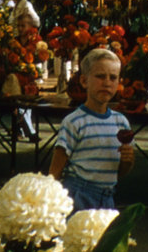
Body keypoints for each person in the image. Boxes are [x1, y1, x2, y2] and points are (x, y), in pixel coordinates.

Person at [48, 48, 135, 211]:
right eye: (100, 76)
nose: (107, 82)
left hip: (107, 197)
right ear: (84, 81)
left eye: (113, 77)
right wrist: (48, 200)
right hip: (77, 195)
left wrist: (127, 160)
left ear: (118, 83)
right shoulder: (74, 122)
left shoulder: (121, 122)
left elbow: (119, 171)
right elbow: (56, 169)